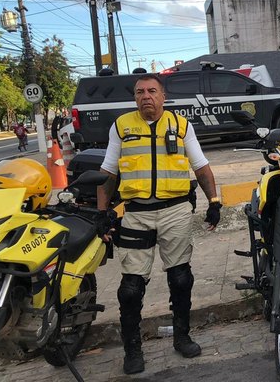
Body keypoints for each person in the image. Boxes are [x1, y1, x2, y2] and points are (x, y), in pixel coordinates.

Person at [97, 73, 223, 375]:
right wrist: (102, 213)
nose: (146, 97)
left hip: (175, 210)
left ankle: (182, 336)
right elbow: (108, 173)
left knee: (180, 278)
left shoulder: (181, 126)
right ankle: (133, 350)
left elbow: (201, 166)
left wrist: (214, 202)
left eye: (152, 91)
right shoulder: (122, 127)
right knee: (130, 288)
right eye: (140, 92)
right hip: (136, 214)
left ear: (163, 96)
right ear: (135, 97)